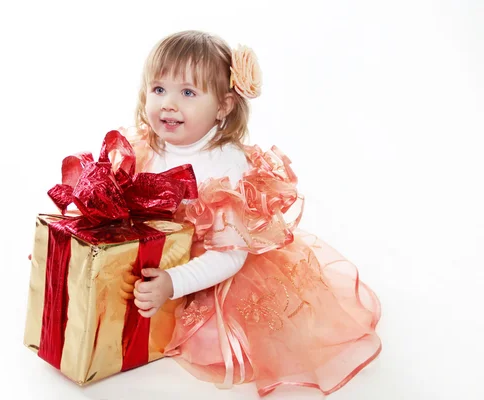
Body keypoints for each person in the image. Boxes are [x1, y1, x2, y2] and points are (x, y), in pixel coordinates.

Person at [118, 30, 382, 397]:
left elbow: (229, 258)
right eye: (158, 89)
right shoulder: (142, 149)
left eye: (188, 93)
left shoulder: (225, 168)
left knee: (218, 336)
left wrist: (173, 283)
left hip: (213, 266)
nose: (168, 104)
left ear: (224, 106)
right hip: (160, 254)